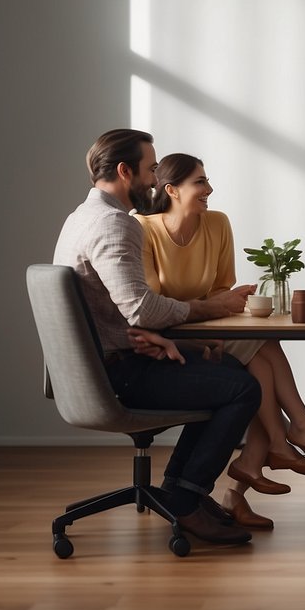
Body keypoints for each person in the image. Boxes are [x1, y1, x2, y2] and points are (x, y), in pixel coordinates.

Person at [53, 128, 261, 546]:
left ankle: (182, 489)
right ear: (126, 170)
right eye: (150, 169)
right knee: (241, 388)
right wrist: (210, 308)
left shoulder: (79, 218)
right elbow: (141, 308)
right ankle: (185, 501)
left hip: (104, 362)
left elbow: (115, 309)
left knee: (226, 367)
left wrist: (159, 339)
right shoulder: (116, 224)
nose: (154, 179)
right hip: (117, 374)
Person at [136, 153, 305, 531]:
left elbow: (222, 288)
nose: (210, 189)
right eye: (200, 182)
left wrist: (218, 312)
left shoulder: (217, 223)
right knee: (260, 354)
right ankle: (289, 437)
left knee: (263, 346)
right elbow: (154, 304)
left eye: (207, 180)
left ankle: (272, 450)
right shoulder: (144, 229)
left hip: (206, 326)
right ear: (171, 190)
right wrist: (213, 308)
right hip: (165, 337)